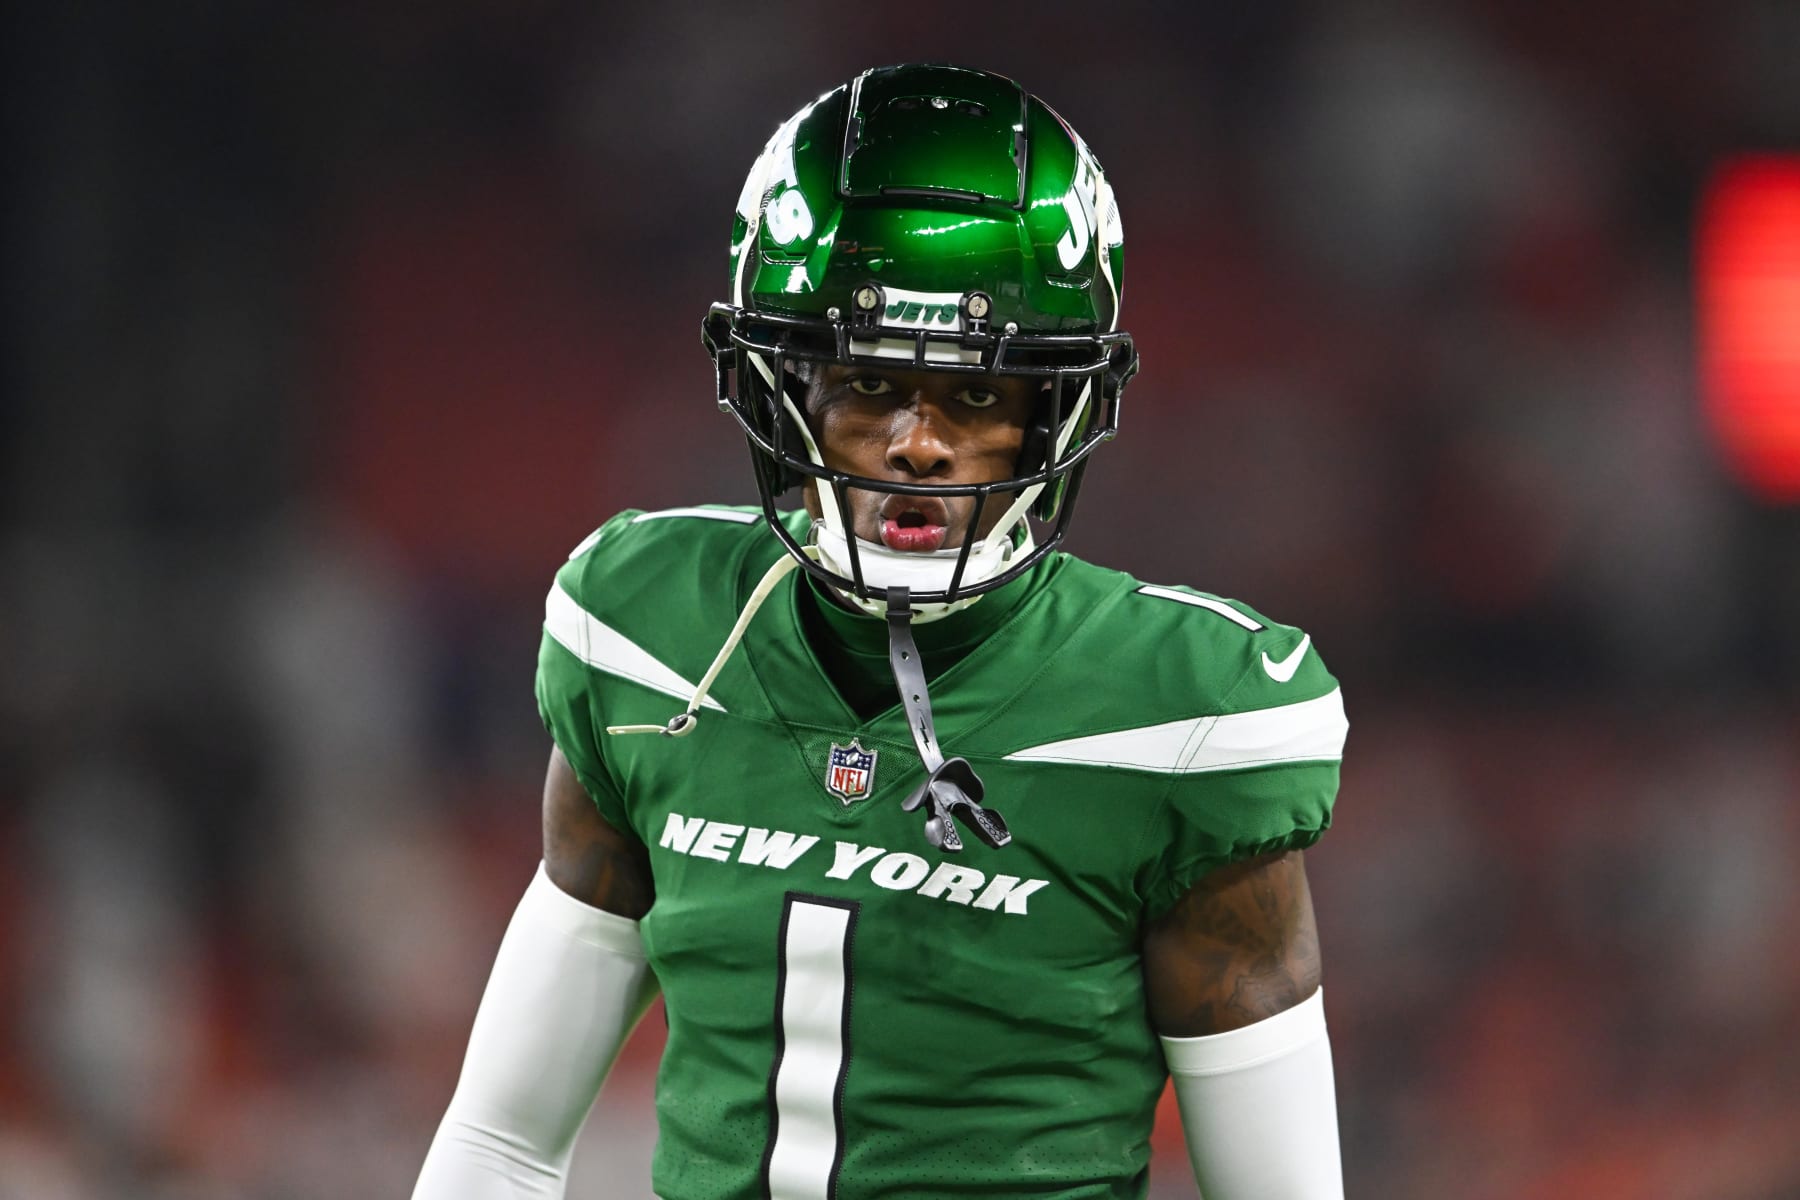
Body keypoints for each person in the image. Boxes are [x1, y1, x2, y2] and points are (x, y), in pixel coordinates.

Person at [414, 63, 1347, 1200]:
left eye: (976, 395)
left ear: (1054, 413)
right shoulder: (648, 632)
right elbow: (502, 1143)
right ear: (783, 390)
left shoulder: (1187, 714)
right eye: (865, 384)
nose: (916, 443)